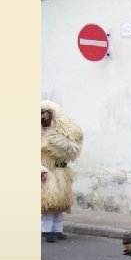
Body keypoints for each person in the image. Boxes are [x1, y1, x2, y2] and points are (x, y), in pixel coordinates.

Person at [41, 101, 83, 242]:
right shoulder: (41, 136)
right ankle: (46, 230)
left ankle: (58, 230)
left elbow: (72, 149)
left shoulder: (63, 133)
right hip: (48, 171)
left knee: (61, 204)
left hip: (62, 171)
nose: (45, 119)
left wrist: (52, 137)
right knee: (49, 203)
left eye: (48, 116)